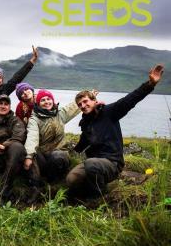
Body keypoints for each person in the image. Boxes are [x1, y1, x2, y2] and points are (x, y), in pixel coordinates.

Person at [66, 64, 164, 198]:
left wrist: (150, 84)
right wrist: (67, 153)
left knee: (90, 165)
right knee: (71, 180)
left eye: (85, 101)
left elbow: (130, 100)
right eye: (80, 105)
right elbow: (82, 144)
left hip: (112, 162)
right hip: (94, 162)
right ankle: (91, 189)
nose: (83, 106)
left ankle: (99, 197)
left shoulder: (110, 112)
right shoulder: (85, 123)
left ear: (94, 100)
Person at [23, 89, 81, 204]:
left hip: (59, 152)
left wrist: (91, 97)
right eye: (42, 100)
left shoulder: (60, 113)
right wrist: (29, 156)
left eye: (48, 99)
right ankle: (36, 187)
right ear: (38, 103)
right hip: (43, 156)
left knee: (58, 156)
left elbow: (74, 106)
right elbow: (32, 137)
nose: (46, 102)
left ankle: (53, 183)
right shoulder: (34, 119)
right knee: (33, 154)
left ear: (53, 101)